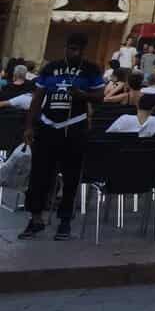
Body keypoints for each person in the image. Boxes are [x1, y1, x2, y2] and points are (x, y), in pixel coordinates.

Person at [19, 31, 104, 240]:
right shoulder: (51, 67)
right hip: (48, 127)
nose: (72, 52)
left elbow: (100, 97)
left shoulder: (91, 69)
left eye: (77, 49)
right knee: (39, 176)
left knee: (71, 178)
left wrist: (83, 95)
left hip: (75, 128)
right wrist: (29, 126)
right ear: (65, 47)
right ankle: (35, 218)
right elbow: (37, 98)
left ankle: (65, 221)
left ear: (83, 50)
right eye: (70, 48)